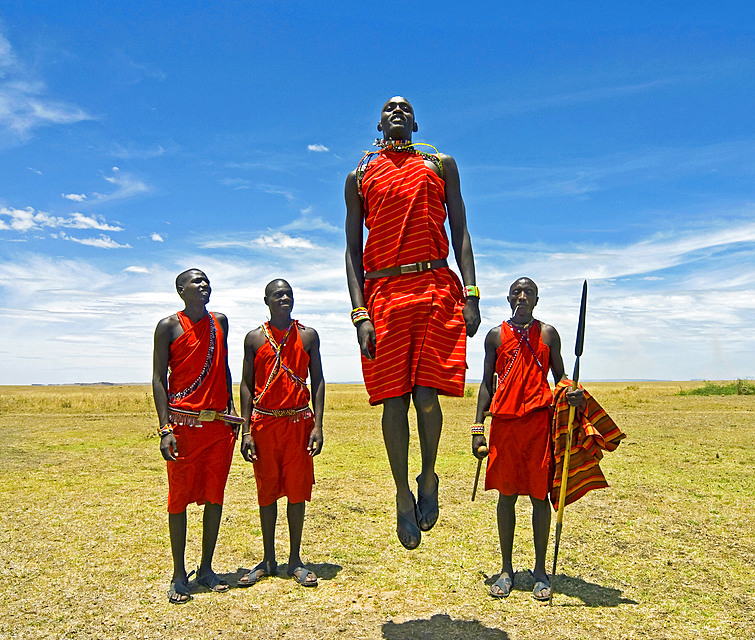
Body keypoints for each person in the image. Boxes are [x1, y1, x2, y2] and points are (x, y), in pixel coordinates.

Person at [344, 95, 481, 550]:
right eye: (388, 108)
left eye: (405, 108)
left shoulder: (440, 165)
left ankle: (428, 475)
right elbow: (351, 250)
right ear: (379, 122)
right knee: (393, 402)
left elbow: (461, 231)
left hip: (435, 287)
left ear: (417, 122)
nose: (397, 112)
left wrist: (472, 292)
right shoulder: (360, 174)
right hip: (383, 295)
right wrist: (359, 312)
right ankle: (402, 494)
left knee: (426, 396)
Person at [471, 277, 585, 601]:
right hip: (504, 427)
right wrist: (477, 428)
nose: (522, 296)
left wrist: (571, 391)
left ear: (537, 299)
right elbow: (485, 384)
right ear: (508, 298)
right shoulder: (495, 336)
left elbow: (560, 376)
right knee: (505, 497)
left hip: (538, 425)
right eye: (517, 292)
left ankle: (539, 571)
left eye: (529, 293)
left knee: (538, 497)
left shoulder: (548, 334)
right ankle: (506, 570)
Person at [152, 269, 241, 604]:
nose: (204, 285)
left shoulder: (220, 322)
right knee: (179, 499)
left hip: (219, 427)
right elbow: (159, 378)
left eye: (206, 280)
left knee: (214, 496)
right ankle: (178, 574)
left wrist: (231, 409)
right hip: (183, 427)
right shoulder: (168, 327)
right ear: (180, 289)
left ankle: (205, 568)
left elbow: (225, 367)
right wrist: (165, 429)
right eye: (196, 281)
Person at [237, 279, 325, 587]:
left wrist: (318, 425)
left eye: (288, 294)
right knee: (267, 491)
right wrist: (245, 430)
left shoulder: (308, 336)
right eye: (278, 294)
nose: (284, 298)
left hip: (299, 424)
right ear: (266, 300)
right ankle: (268, 559)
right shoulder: (253, 339)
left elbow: (319, 382)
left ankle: (295, 561)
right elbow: (246, 385)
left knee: (297, 492)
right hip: (264, 426)